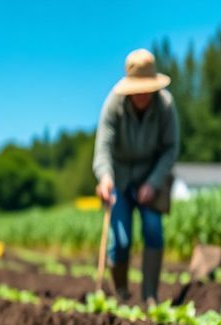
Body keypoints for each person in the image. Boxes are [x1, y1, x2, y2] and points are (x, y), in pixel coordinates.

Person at [92, 48, 180, 303]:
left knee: (153, 230)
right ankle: (121, 294)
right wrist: (105, 177)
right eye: (137, 89)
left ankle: (150, 296)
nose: (142, 95)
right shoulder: (113, 106)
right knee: (119, 239)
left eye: (147, 89)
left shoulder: (165, 106)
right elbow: (103, 148)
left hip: (150, 177)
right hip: (118, 178)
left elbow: (170, 148)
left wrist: (153, 183)